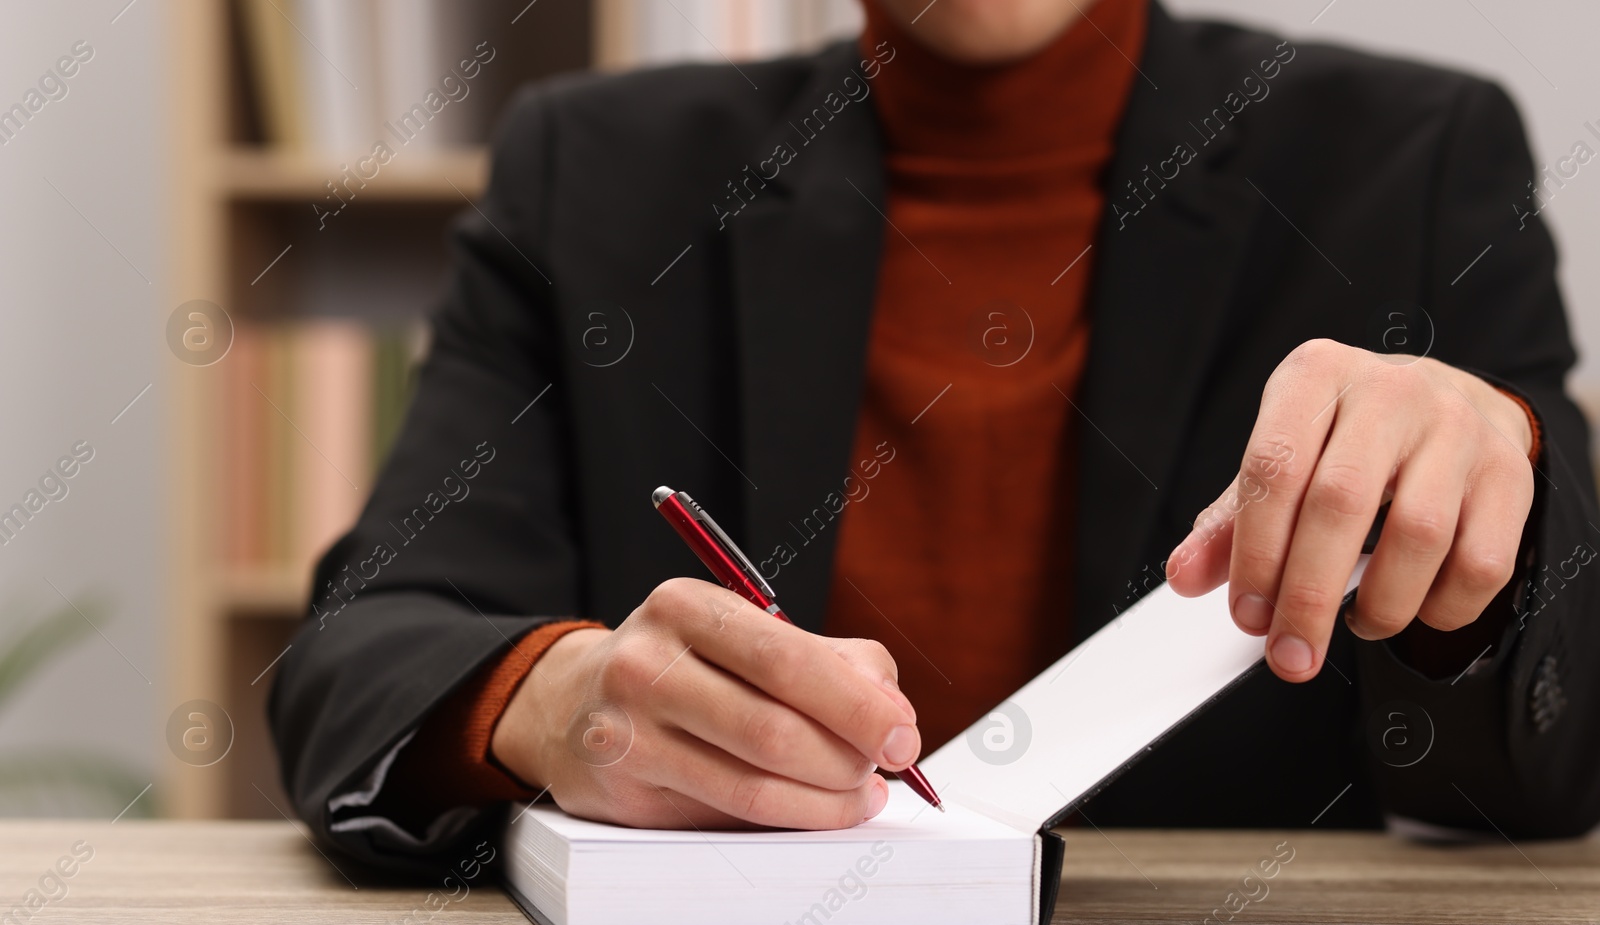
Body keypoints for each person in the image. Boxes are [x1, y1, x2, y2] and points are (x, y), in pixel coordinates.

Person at [270, 0, 1600, 874]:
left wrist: (1487, 531)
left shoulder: (1415, 159)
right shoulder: (597, 173)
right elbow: (362, 650)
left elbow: (1551, 764)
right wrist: (555, 704)